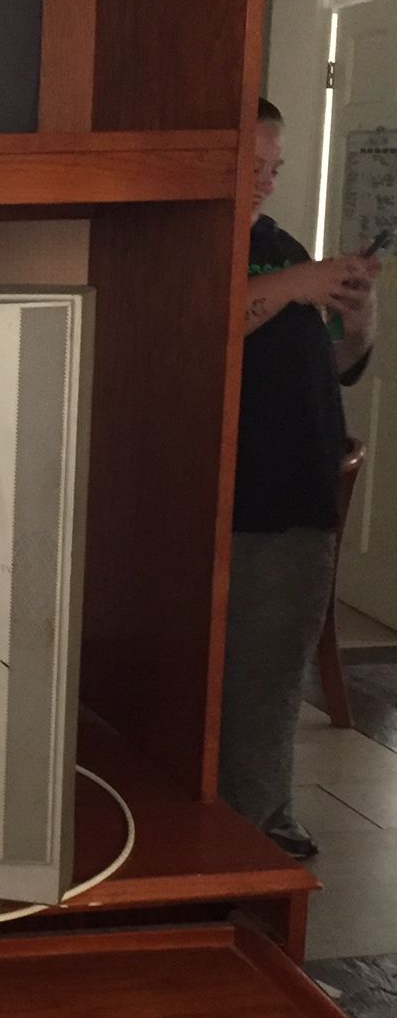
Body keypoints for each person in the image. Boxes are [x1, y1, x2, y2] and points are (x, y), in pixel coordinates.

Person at [220, 98, 378, 857]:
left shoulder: (281, 246)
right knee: (244, 682)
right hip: (237, 500)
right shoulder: (202, 243)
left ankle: (263, 820)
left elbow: (338, 367)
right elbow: (203, 323)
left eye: (273, 168)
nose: (264, 182)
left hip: (297, 501)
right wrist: (295, 286)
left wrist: (356, 319)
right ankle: (244, 834)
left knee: (273, 677)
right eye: (252, 164)